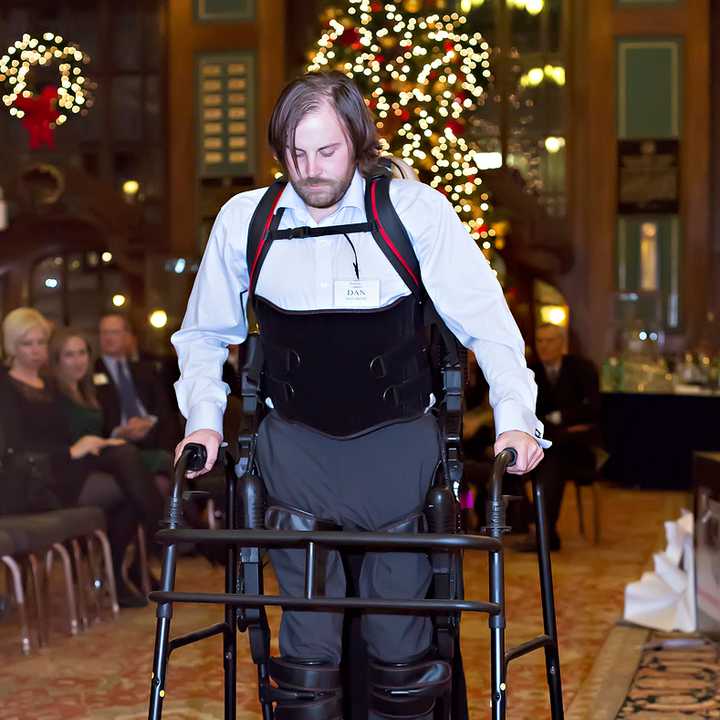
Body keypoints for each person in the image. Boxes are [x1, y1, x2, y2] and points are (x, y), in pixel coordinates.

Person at [171, 72, 548, 718]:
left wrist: (518, 421)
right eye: (295, 153)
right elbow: (203, 333)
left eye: (326, 152)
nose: (310, 170)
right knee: (307, 645)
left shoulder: (413, 212)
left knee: (398, 643)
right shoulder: (247, 221)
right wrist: (202, 421)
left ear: (358, 142)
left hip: (396, 451)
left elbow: (489, 324)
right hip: (294, 452)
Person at [0, 308, 163, 607]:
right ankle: (159, 542)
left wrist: (89, 444)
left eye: (40, 342)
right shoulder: (6, 387)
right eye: (27, 343)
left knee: (126, 466)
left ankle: (117, 571)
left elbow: (65, 434)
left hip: (68, 469)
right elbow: (14, 450)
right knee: (127, 477)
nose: (36, 350)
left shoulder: (49, 385)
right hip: (35, 481)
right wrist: (73, 450)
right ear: (12, 345)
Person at [523, 323, 601, 551]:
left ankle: (542, 531)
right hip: (546, 446)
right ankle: (539, 529)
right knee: (521, 464)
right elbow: (530, 413)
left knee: (550, 460)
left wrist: (557, 418)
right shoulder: (530, 372)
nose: (544, 346)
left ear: (562, 343)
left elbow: (593, 409)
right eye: (540, 341)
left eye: (550, 340)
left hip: (579, 449)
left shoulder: (582, 369)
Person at [94, 313, 179, 473]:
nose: (108, 338)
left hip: (153, 433)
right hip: (117, 440)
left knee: (174, 439)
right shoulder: (92, 372)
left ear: (127, 336)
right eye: (104, 333)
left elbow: (162, 405)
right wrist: (118, 431)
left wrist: (148, 421)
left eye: (114, 332)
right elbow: (95, 414)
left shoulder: (144, 369)